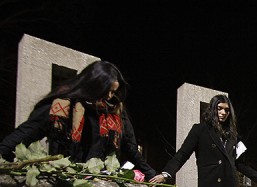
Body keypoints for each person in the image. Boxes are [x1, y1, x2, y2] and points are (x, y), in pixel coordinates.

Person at [0, 60, 156, 180]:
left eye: (113, 92)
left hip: (100, 179)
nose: (109, 96)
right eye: (106, 91)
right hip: (65, 179)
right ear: (93, 85)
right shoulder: (61, 107)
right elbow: (23, 136)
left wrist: (150, 173)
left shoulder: (113, 112)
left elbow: (130, 147)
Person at [149, 94, 257, 187]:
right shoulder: (199, 130)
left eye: (226, 110)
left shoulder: (233, 136)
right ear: (212, 109)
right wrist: (166, 174)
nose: (223, 113)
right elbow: (182, 154)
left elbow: (239, 163)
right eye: (219, 109)